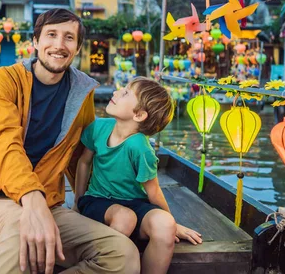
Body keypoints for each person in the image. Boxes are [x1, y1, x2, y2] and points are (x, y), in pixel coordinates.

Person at [0, 8, 140, 274]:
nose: (59, 45)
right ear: (36, 42)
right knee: (23, 225)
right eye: (51, 35)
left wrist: (141, 209)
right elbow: (4, 143)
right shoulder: (5, 80)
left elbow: (81, 158)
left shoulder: (82, 92)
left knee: (123, 253)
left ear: (78, 48)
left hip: (47, 204)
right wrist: (31, 197)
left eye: (69, 38)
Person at [74, 77, 202, 274]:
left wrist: (174, 223)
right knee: (125, 218)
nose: (116, 92)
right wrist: (78, 202)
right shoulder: (98, 128)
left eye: (125, 93)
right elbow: (84, 163)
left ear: (139, 115)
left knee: (164, 224)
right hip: (97, 200)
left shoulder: (141, 148)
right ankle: (102, 264)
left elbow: (154, 191)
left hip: (134, 202)